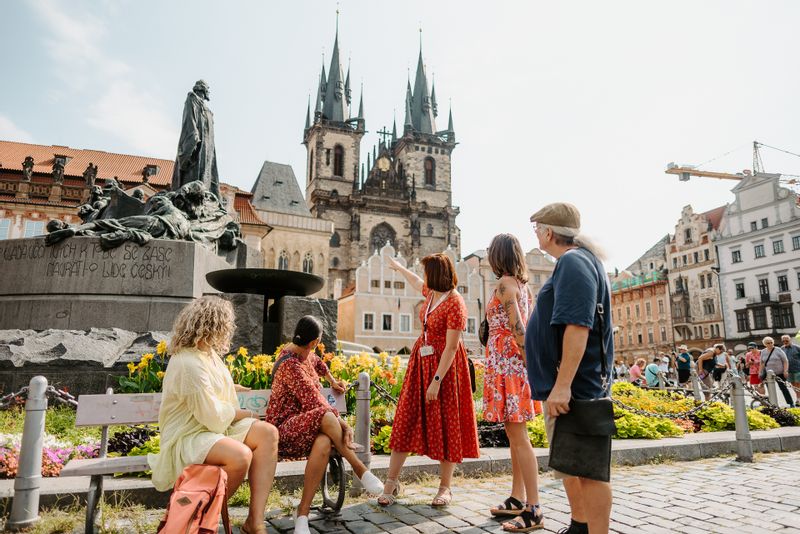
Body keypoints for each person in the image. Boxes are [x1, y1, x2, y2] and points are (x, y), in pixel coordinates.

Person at [148, 297, 278, 534]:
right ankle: (198, 518)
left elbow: (210, 392)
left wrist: (232, 388)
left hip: (211, 430)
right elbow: (212, 416)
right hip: (188, 436)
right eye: (225, 325)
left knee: (268, 433)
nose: (228, 330)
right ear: (213, 326)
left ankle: (254, 521)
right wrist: (246, 413)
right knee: (240, 456)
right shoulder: (188, 362)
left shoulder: (206, 354)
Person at [525, 203, 614, 534]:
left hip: (579, 386)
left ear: (549, 232)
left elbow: (578, 325)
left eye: (536, 228)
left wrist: (563, 385)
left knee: (590, 471)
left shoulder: (573, 262)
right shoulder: (575, 261)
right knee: (574, 466)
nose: (535, 234)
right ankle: (580, 525)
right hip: (571, 384)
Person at [264, 316, 383, 533]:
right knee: (326, 416)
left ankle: (302, 513)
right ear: (314, 342)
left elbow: (319, 363)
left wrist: (331, 380)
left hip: (309, 428)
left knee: (324, 442)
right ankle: (360, 468)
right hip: (284, 432)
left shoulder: (304, 354)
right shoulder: (290, 365)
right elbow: (314, 401)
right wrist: (344, 425)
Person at [381, 253, 479, 508]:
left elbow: (451, 347)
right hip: (420, 363)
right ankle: (391, 482)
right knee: (406, 417)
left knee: (447, 423)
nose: (423, 277)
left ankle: (445, 487)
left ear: (436, 275)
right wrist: (399, 267)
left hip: (444, 369)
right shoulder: (432, 293)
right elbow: (415, 282)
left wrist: (436, 380)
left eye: (426, 272)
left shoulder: (455, 302)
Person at [481, 234, 544, 531]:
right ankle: (518, 497)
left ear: (498, 256)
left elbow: (519, 329)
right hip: (509, 366)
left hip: (509, 368)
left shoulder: (506, 284)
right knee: (514, 436)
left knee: (520, 438)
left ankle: (534, 508)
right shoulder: (521, 285)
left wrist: (528, 364)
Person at [759, 337, 794, 407]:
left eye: (771, 342)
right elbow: (762, 363)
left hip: (780, 373)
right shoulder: (763, 351)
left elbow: (785, 361)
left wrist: (785, 370)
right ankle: (773, 404)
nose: (770, 344)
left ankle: (791, 403)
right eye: (768, 343)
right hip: (768, 374)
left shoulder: (778, 350)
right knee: (770, 389)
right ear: (765, 344)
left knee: (783, 388)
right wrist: (760, 372)